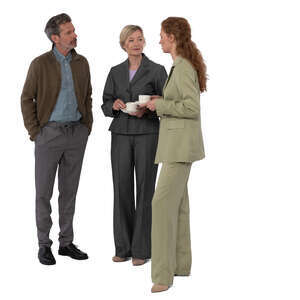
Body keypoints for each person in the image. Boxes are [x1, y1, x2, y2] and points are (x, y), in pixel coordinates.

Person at [139, 17, 207, 292]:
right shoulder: (181, 66)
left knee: (162, 205)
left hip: (179, 147)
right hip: (177, 146)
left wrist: (160, 106)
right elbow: (183, 103)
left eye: (162, 36)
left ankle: (163, 275)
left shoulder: (182, 68)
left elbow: (192, 108)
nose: (159, 40)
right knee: (178, 206)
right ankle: (180, 265)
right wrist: (160, 102)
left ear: (172, 37)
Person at [21, 13, 93, 265]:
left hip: (76, 133)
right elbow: (26, 98)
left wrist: (87, 126)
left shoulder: (82, 62)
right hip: (48, 135)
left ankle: (66, 242)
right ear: (55, 38)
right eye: (68, 32)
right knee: (43, 192)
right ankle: (44, 245)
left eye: (74, 30)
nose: (74, 35)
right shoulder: (39, 64)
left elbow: (87, 96)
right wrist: (35, 132)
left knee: (69, 191)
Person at [101, 25, 167, 266]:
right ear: (123, 45)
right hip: (120, 133)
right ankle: (123, 247)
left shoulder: (157, 70)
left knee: (145, 190)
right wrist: (114, 104)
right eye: (131, 40)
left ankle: (141, 249)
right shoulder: (115, 71)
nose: (137, 43)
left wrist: (150, 106)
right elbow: (105, 103)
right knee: (121, 189)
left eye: (140, 39)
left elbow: (167, 101)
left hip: (148, 133)